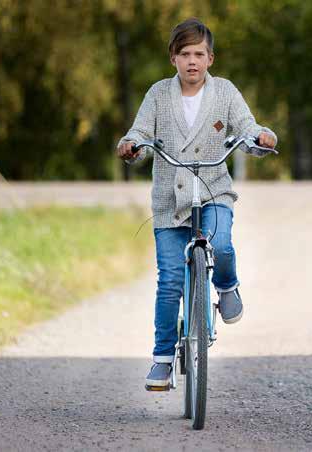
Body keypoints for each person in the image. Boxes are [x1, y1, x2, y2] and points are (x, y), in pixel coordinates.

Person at [116, 18, 277, 390]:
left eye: (199, 54)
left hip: (213, 192)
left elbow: (246, 127)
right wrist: (131, 145)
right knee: (170, 280)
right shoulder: (158, 94)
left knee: (220, 245)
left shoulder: (224, 92)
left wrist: (261, 137)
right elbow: (140, 132)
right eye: (185, 54)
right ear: (173, 58)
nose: (192, 61)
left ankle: (226, 286)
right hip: (170, 201)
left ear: (210, 58)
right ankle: (162, 360)